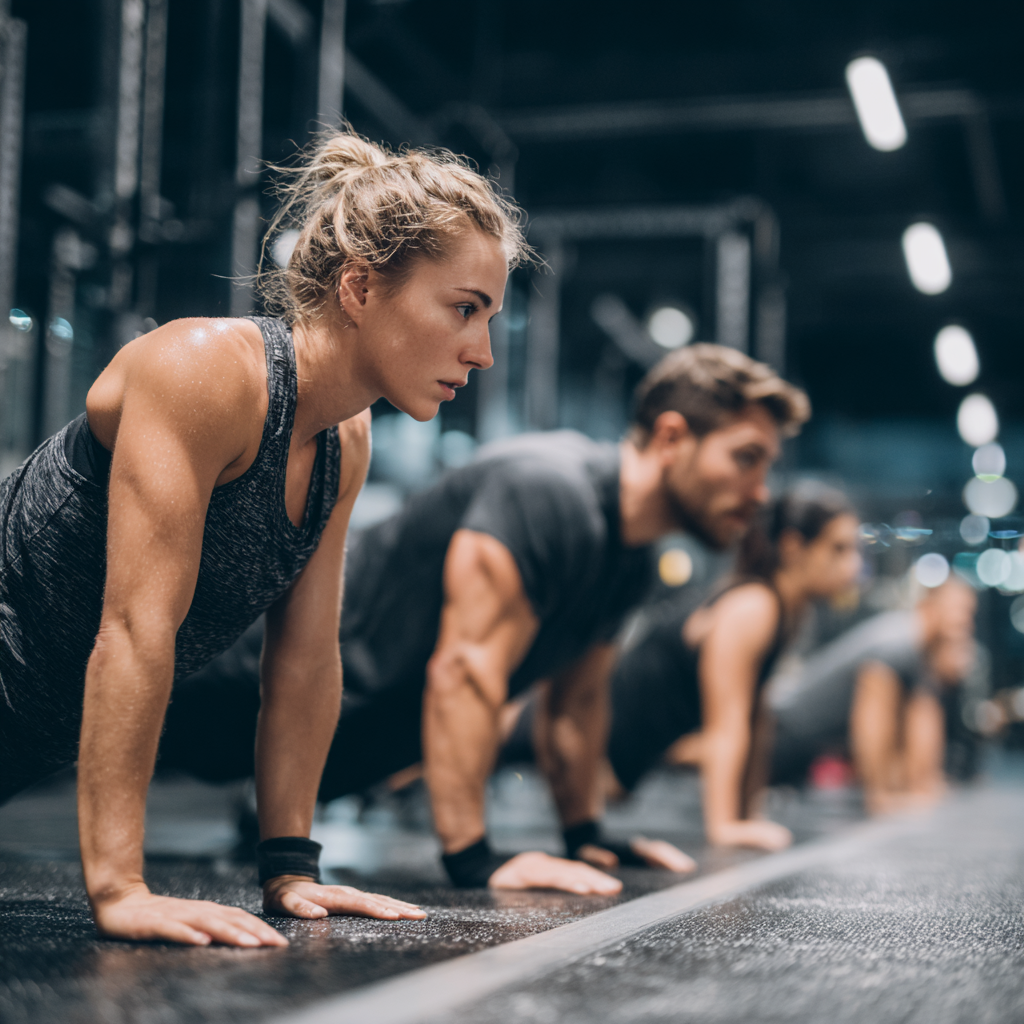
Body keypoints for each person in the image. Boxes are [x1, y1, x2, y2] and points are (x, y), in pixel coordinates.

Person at [0, 130, 530, 945]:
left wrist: (290, 866)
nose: (483, 351)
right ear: (359, 286)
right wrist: (120, 889)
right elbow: (137, 630)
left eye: (489, 317)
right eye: (465, 308)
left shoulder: (344, 444)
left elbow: (307, 660)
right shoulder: (206, 371)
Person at [159, 344, 810, 894]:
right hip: (224, 690)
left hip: (328, 752)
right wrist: (475, 860)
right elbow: (465, 670)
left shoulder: (630, 563)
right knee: (64, 738)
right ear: (672, 437)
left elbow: (576, 705)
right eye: (746, 458)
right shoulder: (548, 490)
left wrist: (587, 838)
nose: (759, 494)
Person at [504, 481, 861, 853]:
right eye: (838, 549)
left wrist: (749, 814)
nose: (853, 566)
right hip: (576, 727)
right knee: (465, 747)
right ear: (792, 546)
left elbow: (758, 720)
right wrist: (725, 825)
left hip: (612, 753)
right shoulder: (754, 607)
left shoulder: (788, 614)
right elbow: (728, 725)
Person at [769, 576, 977, 812]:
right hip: (779, 734)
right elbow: (871, 720)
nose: (965, 622)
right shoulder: (898, 641)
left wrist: (921, 786)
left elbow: (916, 727)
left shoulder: (918, 654)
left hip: (802, 743)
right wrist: (879, 796)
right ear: (929, 606)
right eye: (959, 609)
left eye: (970, 613)